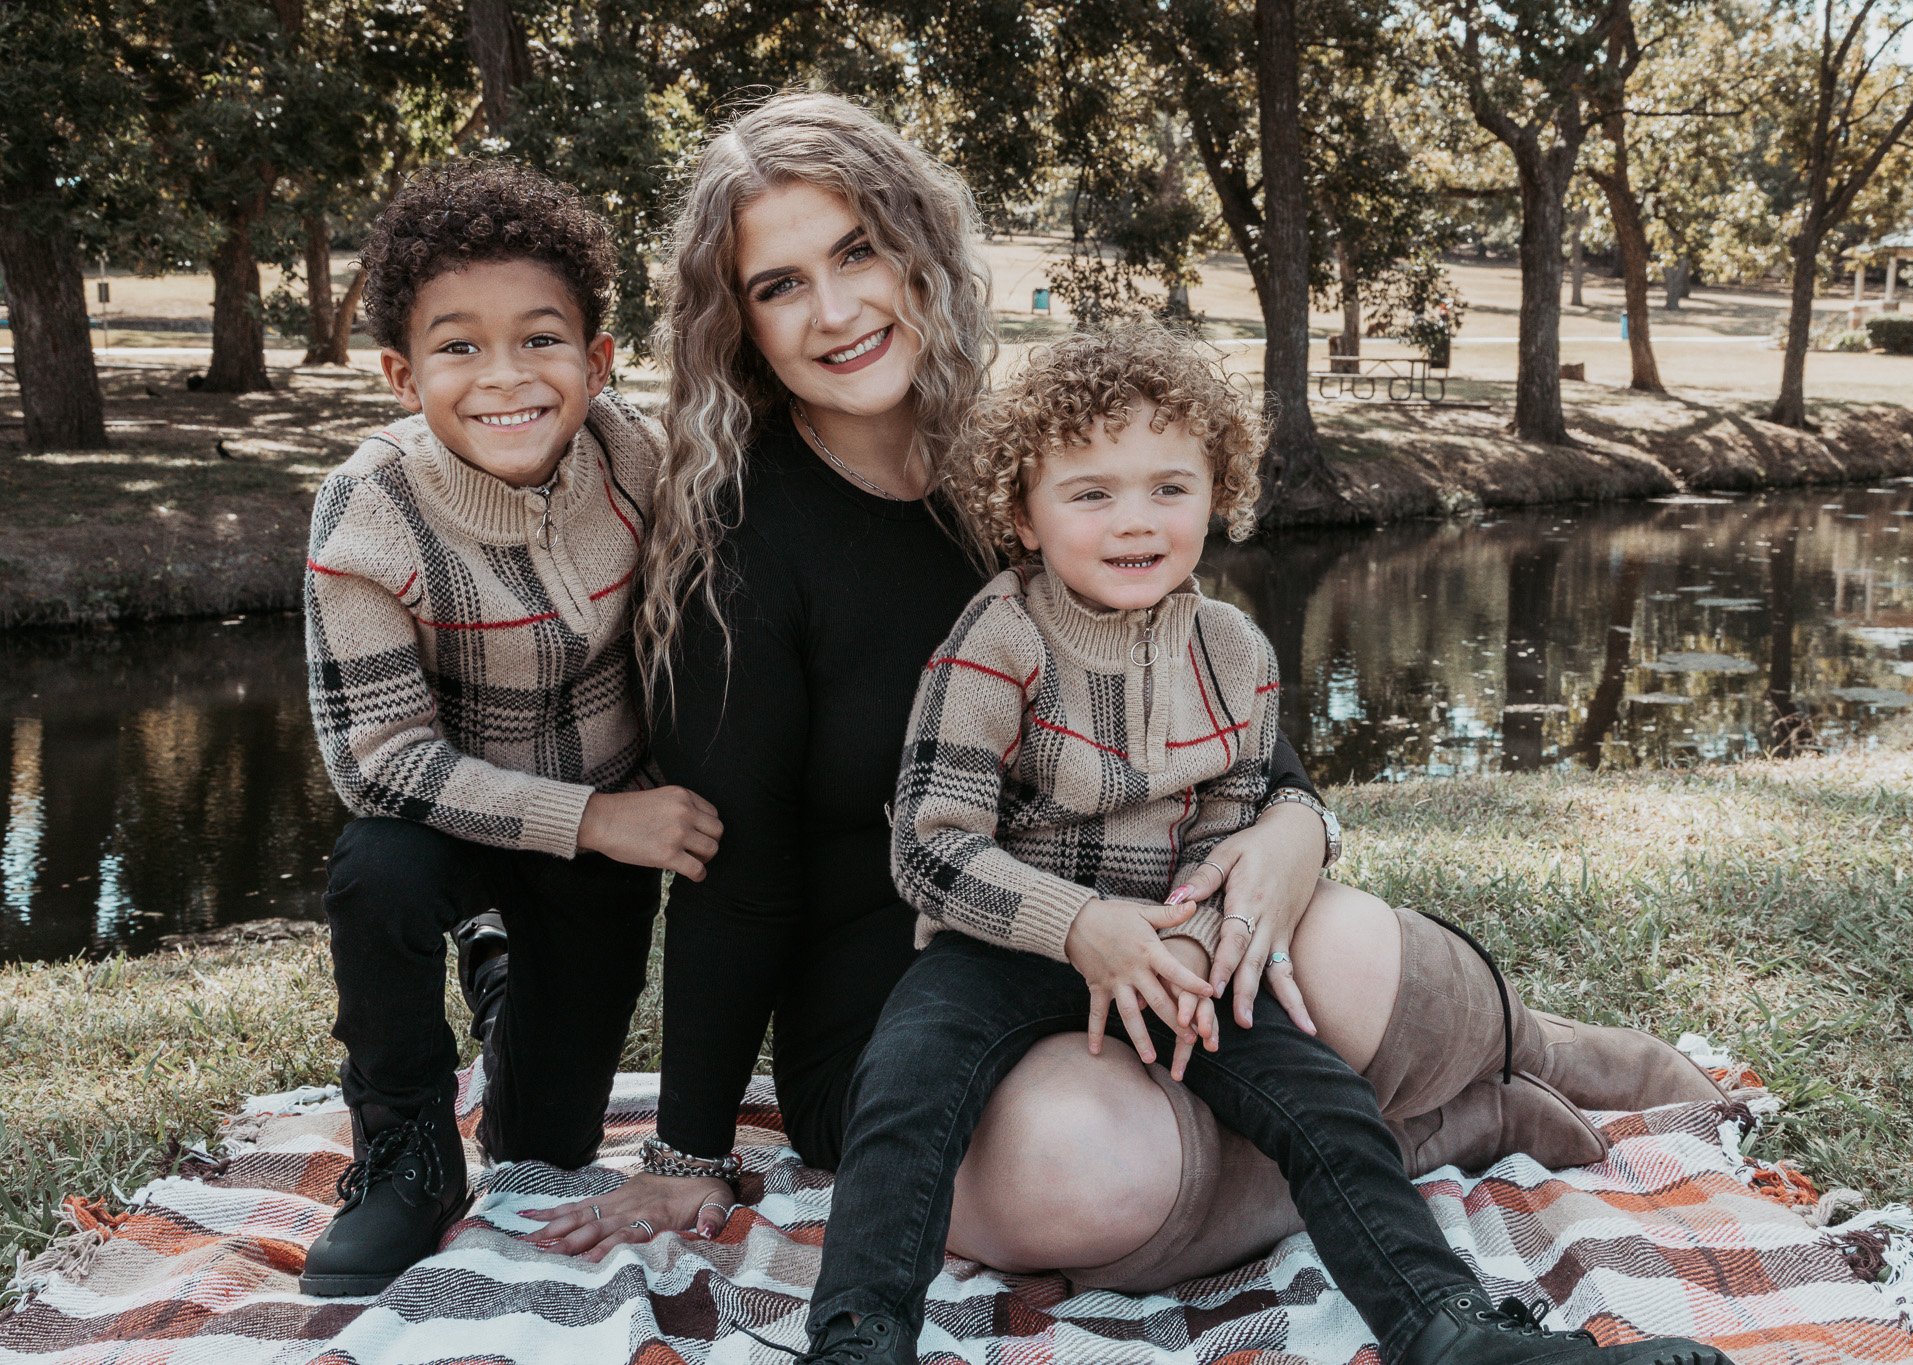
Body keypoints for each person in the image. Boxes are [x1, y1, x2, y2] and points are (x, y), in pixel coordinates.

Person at [522, 93, 1723, 1344]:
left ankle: (1542, 1045)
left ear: (917, 246)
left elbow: (1221, 713)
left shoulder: (1041, 461)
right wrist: (689, 1149)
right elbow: (734, 871)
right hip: (913, 996)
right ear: (737, 324)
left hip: (1161, 923)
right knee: (1083, 1172)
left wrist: (1285, 838)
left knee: (1342, 954)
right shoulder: (738, 543)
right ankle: (1445, 1124)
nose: (833, 311)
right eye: (779, 284)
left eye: (857, 251)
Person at [786, 322, 1733, 1365]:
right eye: (1089, 493)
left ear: (1218, 489)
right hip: (1005, 946)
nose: (1133, 521)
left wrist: (1192, 941)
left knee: (1323, 1102)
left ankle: (1448, 1329)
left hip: (1177, 949)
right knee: (907, 1078)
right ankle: (858, 1333)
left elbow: (1234, 817)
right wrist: (1083, 926)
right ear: (1022, 511)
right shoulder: (995, 640)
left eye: (1168, 487)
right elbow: (928, 849)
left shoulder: (1233, 651)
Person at [299, 159, 721, 1296]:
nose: (504, 378)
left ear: (595, 362)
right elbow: (378, 760)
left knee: (546, 1147)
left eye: (540, 341)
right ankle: (404, 1153)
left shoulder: (640, 459)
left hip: (605, 830)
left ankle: (501, 971)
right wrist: (589, 820)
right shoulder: (370, 507)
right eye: (457, 347)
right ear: (401, 374)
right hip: (458, 818)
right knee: (373, 874)